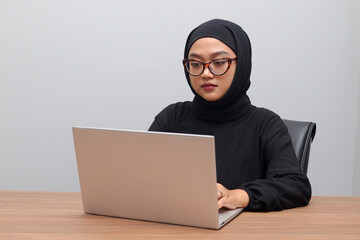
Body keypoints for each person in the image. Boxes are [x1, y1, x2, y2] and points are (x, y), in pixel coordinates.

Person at [149, 19, 311, 212]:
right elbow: (141, 175)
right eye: (195, 63)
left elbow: (295, 185)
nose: (206, 73)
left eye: (219, 62)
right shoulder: (171, 118)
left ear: (241, 64)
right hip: (179, 225)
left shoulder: (266, 124)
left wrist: (238, 196)